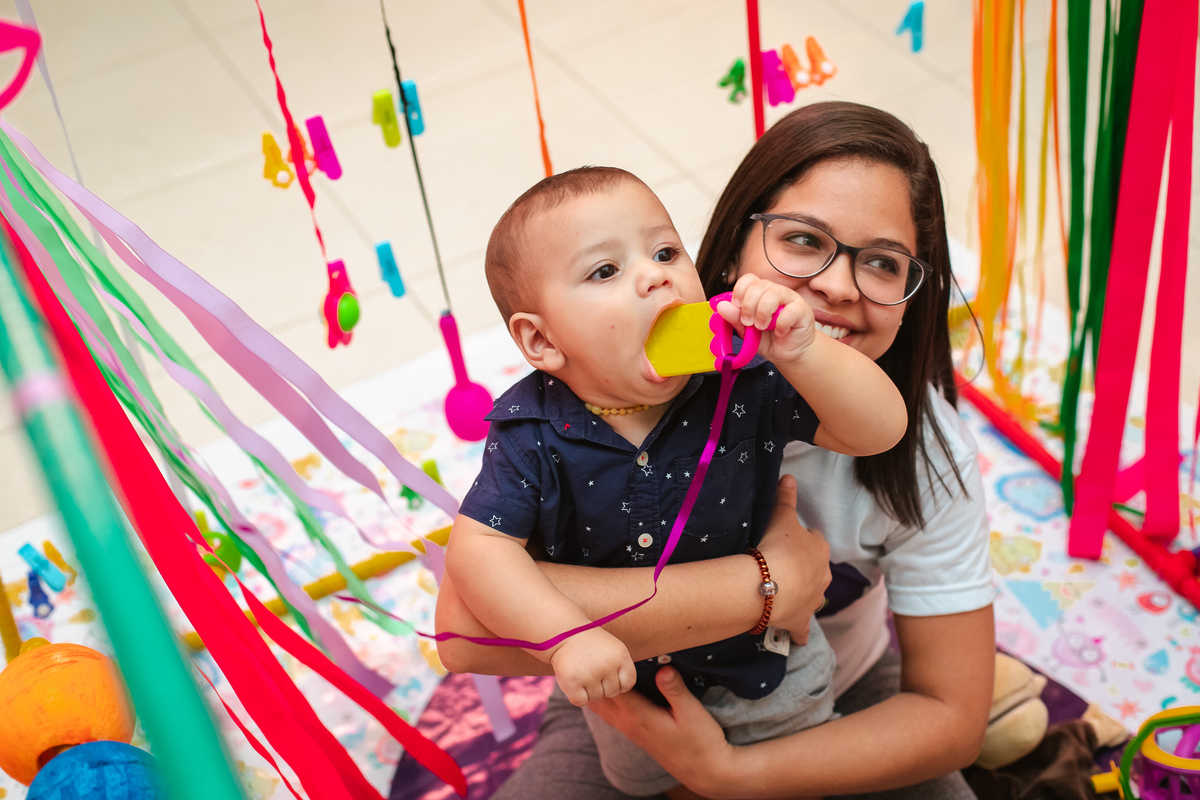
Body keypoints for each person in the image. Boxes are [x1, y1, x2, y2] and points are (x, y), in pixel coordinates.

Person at [436, 101, 995, 799]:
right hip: (626, 694)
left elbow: (881, 427)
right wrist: (772, 586)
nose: (834, 284)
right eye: (802, 240)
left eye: (881, 263)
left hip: (817, 695)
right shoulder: (545, 429)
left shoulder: (758, 386)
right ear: (733, 249)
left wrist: (731, 776)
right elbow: (462, 629)